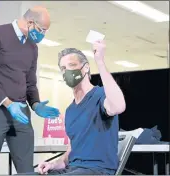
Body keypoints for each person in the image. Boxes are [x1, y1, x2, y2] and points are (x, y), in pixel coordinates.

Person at [0, 5, 60, 175]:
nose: (43, 34)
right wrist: (7, 103)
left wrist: (36, 104)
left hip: (20, 111)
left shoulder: (32, 47)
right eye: (42, 30)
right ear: (30, 22)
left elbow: (30, 82)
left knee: (26, 166)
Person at [22, 40, 126, 175]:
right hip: (72, 170)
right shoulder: (70, 110)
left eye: (71, 65)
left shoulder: (101, 95)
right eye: (63, 68)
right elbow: (72, 150)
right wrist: (53, 164)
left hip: (97, 171)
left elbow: (118, 107)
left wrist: (100, 61)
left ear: (86, 68)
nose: (67, 71)